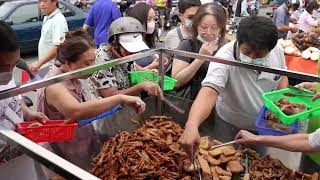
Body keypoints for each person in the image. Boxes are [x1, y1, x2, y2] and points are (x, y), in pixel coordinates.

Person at [178, 16, 289, 158]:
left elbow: (282, 77)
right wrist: (192, 125)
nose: (253, 57)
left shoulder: (277, 50)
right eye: (248, 52)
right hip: (230, 124)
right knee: (227, 159)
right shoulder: (224, 57)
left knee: (258, 161)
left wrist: (280, 110)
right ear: (238, 41)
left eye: (260, 54)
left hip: (263, 127)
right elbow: (209, 91)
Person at [36, 30, 146, 121]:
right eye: (88, 63)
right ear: (68, 63)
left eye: (93, 61)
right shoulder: (54, 85)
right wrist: (120, 98)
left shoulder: (76, 75)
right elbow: (77, 111)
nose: (93, 67)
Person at [0, 21, 48, 166]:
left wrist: (26, 112)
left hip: (20, 156)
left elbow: (13, 97)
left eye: (14, 65)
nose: (9, 73)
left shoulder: (5, 77)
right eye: (3, 67)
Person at [89, 17, 164, 100]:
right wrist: (141, 86)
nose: (133, 54)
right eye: (129, 50)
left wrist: (147, 71)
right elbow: (111, 95)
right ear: (115, 44)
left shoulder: (122, 56)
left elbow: (132, 65)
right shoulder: (102, 61)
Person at [171, 3, 227, 100]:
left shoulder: (226, 47)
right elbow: (176, 82)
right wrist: (200, 58)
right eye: (204, 27)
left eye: (214, 27)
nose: (209, 32)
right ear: (196, 25)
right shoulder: (187, 45)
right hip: (192, 101)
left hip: (221, 104)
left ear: (221, 28)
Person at [29, 0, 68, 73]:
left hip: (52, 67)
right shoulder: (47, 17)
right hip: (46, 66)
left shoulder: (58, 20)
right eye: (39, 1)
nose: (41, 4)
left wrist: (39, 63)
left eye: (45, 1)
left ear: (55, 2)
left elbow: (58, 46)